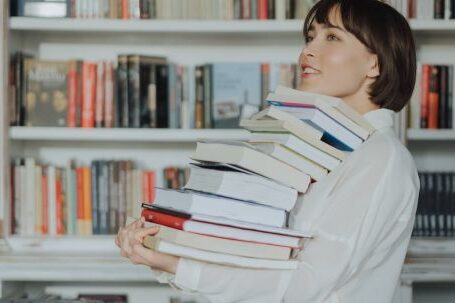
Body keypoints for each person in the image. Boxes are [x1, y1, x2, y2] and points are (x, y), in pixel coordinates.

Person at [115, 0, 420, 302]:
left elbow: (306, 285)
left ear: (374, 63)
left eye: (332, 37)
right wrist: (162, 247)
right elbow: (260, 258)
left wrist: (178, 266)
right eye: (310, 37)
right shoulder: (318, 148)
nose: (308, 51)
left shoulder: (380, 158)